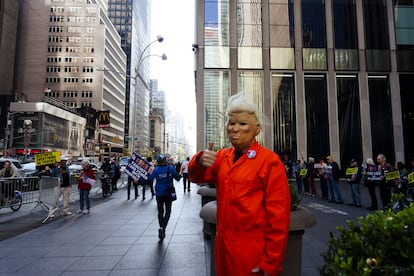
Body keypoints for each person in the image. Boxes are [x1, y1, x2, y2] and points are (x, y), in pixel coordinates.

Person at [188, 93, 291, 275]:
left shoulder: (269, 161)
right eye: (231, 123)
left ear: (256, 129)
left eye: (242, 124)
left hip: (252, 251)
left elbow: (279, 216)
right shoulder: (222, 156)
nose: (235, 129)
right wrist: (199, 160)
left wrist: (270, 261)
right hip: (224, 246)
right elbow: (196, 177)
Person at [148, 154, 180, 240]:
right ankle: (163, 228)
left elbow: (150, 179)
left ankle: (161, 226)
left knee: (160, 211)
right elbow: (178, 178)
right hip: (168, 193)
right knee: (168, 211)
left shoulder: (156, 170)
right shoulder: (170, 168)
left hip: (159, 193)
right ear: (164, 161)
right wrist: (180, 172)